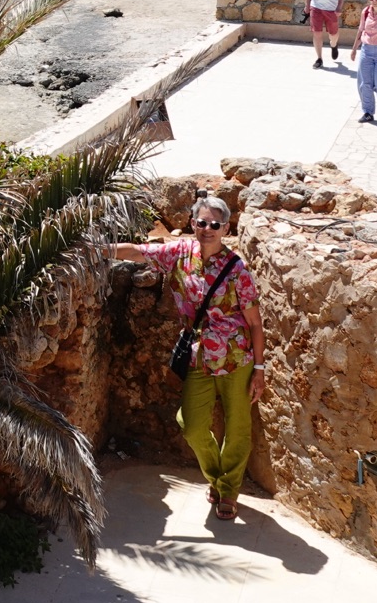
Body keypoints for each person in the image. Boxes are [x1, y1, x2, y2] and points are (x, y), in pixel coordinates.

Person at [111, 197, 266, 521]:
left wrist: (260, 369)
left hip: (237, 358)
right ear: (193, 223)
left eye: (215, 224)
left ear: (225, 228)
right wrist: (97, 251)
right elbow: (137, 252)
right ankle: (217, 476)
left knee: (238, 428)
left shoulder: (237, 270)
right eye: (202, 222)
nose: (207, 229)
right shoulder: (179, 253)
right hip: (198, 357)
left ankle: (227, 491)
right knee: (191, 426)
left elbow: (254, 323)